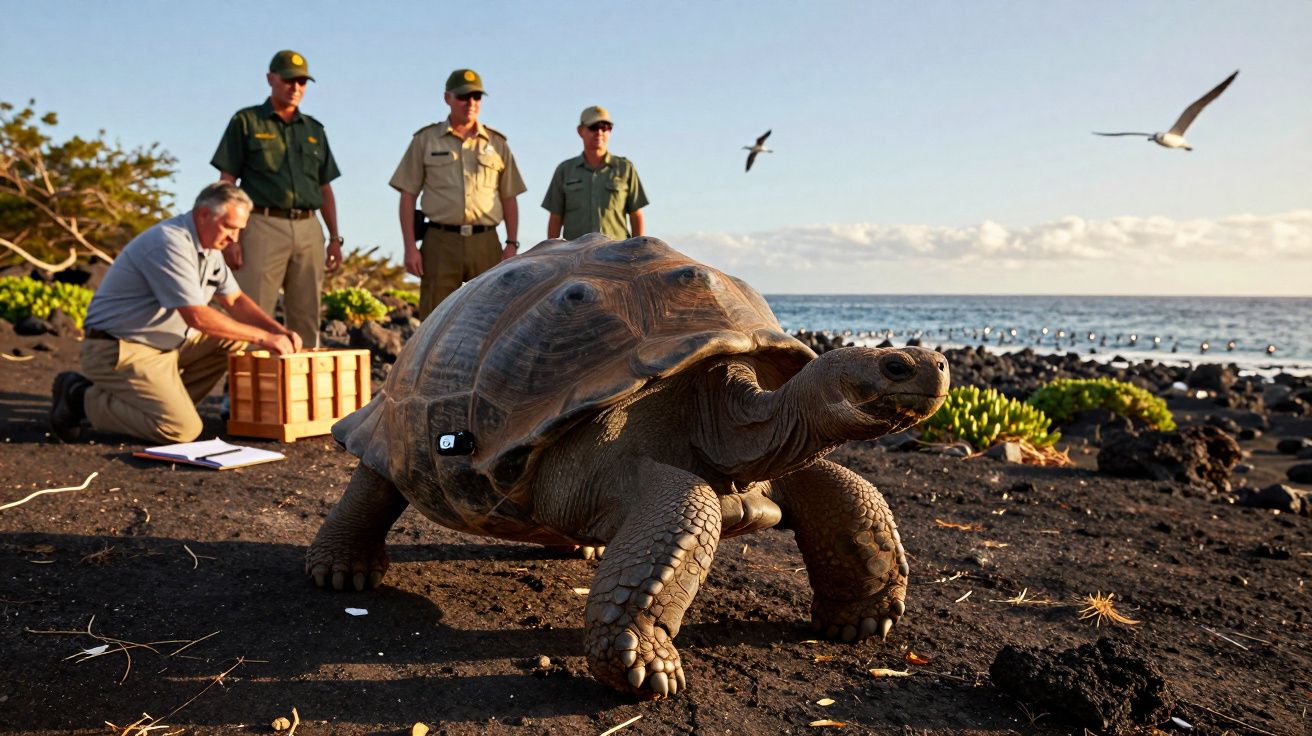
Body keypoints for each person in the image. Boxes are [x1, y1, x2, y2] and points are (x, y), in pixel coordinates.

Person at [49, 183, 302, 445]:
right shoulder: (169, 242)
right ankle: (79, 397)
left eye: (239, 230)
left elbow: (234, 300)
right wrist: (263, 338)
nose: (234, 239)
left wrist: (276, 330)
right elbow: (197, 317)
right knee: (181, 429)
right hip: (117, 349)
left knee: (233, 340)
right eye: (229, 227)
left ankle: (159, 405)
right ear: (204, 214)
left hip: (164, 348)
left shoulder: (210, 248)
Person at [210, 49, 343, 348]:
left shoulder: (314, 130)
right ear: (271, 79)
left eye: (302, 82)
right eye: (288, 80)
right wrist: (230, 239)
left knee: (307, 316)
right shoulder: (246, 122)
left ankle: (302, 393)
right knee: (253, 313)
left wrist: (334, 238)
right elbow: (227, 182)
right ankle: (242, 393)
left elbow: (325, 188)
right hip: (261, 225)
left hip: (309, 228)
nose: (295, 88)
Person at [389, 68, 527, 319]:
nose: (471, 103)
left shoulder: (497, 143)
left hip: (486, 242)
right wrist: (410, 247)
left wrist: (511, 244)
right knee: (435, 318)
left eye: (476, 97)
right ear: (447, 98)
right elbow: (407, 195)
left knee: (493, 315)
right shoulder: (426, 140)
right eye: (464, 97)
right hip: (440, 241)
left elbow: (509, 196)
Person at [542, 106, 649, 241]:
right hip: (575, 256)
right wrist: (553, 256)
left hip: (616, 255)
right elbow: (556, 217)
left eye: (605, 127)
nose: (599, 132)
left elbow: (635, 214)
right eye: (593, 127)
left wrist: (638, 252)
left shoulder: (625, 168)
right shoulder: (564, 170)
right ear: (580, 131)